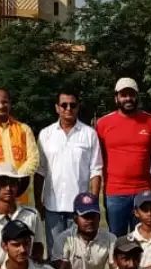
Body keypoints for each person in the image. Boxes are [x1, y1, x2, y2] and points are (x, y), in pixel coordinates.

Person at [36, 91, 103, 257]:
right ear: (57, 108)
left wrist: (92, 204)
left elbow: (96, 170)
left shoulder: (89, 134)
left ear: (78, 107)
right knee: (55, 254)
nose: (68, 108)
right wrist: (39, 202)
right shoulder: (46, 134)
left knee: (79, 254)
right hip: (53, 206)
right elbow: (40, 171)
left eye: (72, 105)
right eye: (64, 105)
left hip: (79, 208)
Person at [94, 78, 151, 236]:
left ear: (137, 96)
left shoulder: (150, 121)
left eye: (132, 94)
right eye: (124, 95)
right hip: (115, 193)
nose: (128, 98)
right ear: (116, 98)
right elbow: (97, 159)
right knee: (117, 239)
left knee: (145, 238)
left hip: (144, 191)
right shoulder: (103, 123)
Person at [55, 192, 115, 269]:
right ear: (75, 218)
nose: (90, 221)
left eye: (93, 216)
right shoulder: (64, 239)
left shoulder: (111, 239)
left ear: (99, 217)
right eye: (85, 217)